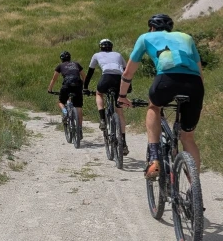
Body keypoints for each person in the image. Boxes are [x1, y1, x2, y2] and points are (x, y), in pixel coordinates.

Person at [118, 14, 204, 179]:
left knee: (154, 107)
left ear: (152, 28)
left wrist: (122, 96)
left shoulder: (145, 37)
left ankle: (154, 159)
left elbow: (128, 73)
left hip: (166, 80)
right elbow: (200, 73)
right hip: (194, 84)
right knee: (188, 137)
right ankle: (194, 186)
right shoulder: (187, 37)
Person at [84, 39, 129, 155]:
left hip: (106, 78)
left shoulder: (96, 55)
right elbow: (126, 71)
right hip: (119, 80)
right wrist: (129, 87)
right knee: (120, 112)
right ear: (111, 47)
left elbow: (90, 73)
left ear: (101, 47)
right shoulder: (118, 54)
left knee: (99, 93)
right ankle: (123, 143)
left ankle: (103, 119)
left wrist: (85, 87)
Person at [47, 51, 86, 139]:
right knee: (78, 106)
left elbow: (54, 79)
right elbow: (84, 77)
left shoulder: (60, 66)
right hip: (78, 85)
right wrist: (85, 87)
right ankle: (79, 129)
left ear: (61, 59)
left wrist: (50, 89)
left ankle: (65, 112)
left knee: (60, 102)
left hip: (67, 85)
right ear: (70, 58)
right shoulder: (76, 64)